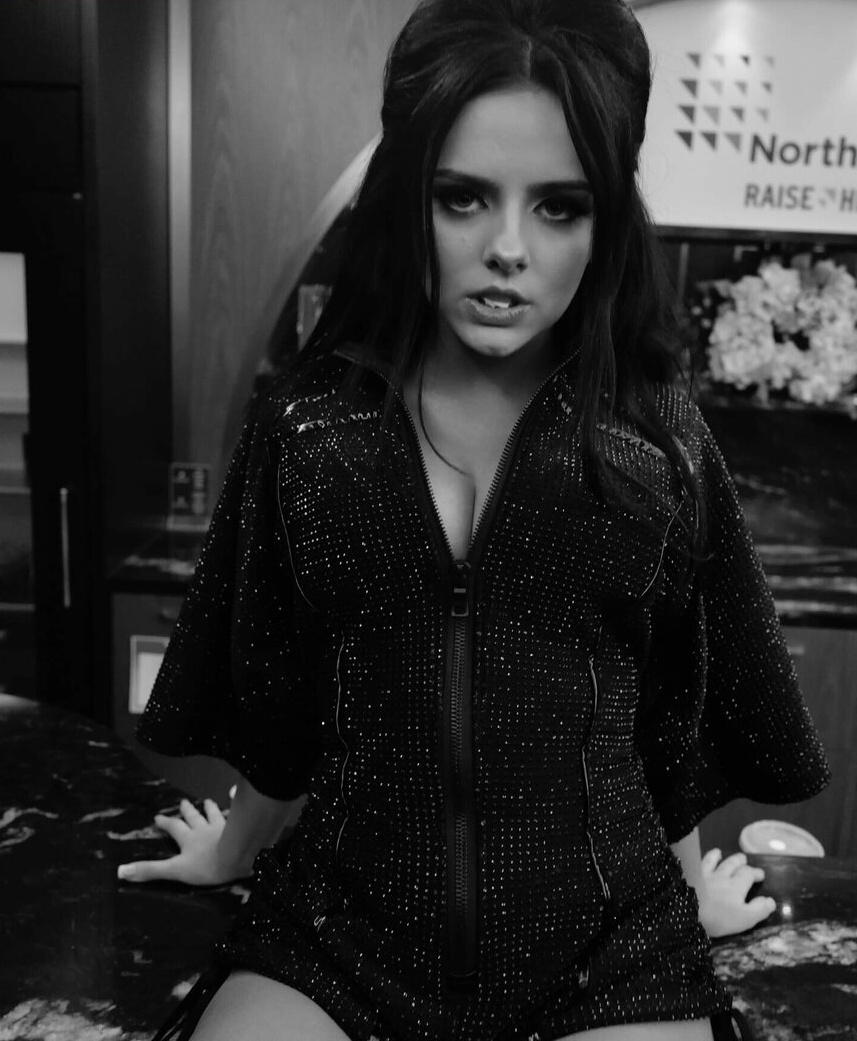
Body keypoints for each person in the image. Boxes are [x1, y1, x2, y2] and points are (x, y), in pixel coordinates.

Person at [120, 1, 831, 1038]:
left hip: (604, 944)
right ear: (405, 202)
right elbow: (280, 706)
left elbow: (669, 721)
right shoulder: (312, 431)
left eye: (558, 207)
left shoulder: (652, 444)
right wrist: (232, 851)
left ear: (606, 223)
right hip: (343, 931)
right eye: (461, 198)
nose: (506, 249)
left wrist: (684, 898)